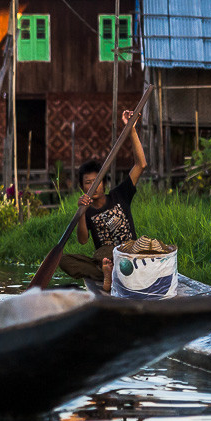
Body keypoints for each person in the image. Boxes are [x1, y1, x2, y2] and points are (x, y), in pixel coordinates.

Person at [59, 109, 148, 292]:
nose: (94, 186)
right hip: (105, 260)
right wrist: (82, 212)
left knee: (110, 251)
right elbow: (83, 240)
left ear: (104, 183)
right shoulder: (88, 211)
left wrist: (131, 129)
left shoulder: (120, 195)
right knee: (65, 259)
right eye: (88, 183)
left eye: (97, 181)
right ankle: (108, 273)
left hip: (129, 255)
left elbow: (141, 164)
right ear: (82, 187)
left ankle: (110, 273)